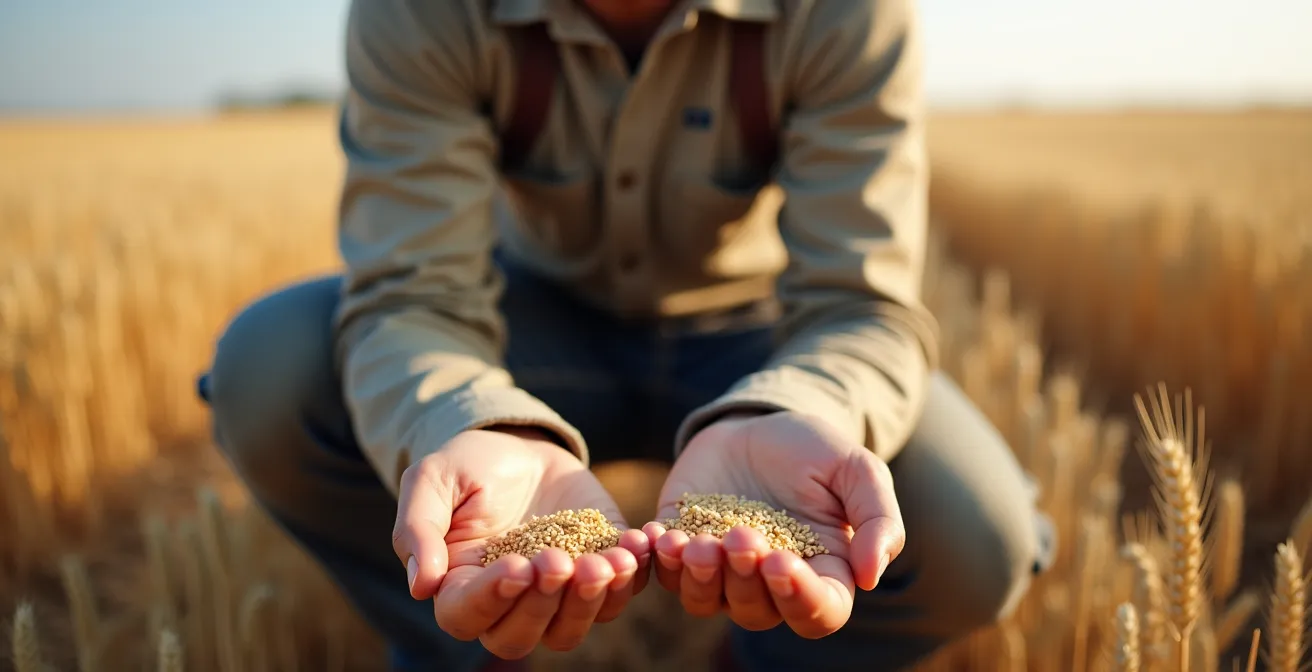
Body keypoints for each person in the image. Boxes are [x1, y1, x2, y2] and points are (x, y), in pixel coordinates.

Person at [199, 0, 1056, 670]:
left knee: (981, 537)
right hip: (527, 331)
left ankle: (767, 662)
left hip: (756, 344)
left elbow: (857, 302)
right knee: (268, 370)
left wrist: (799, 408)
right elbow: (412, 295)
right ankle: (466, 653)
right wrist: (473, 421)